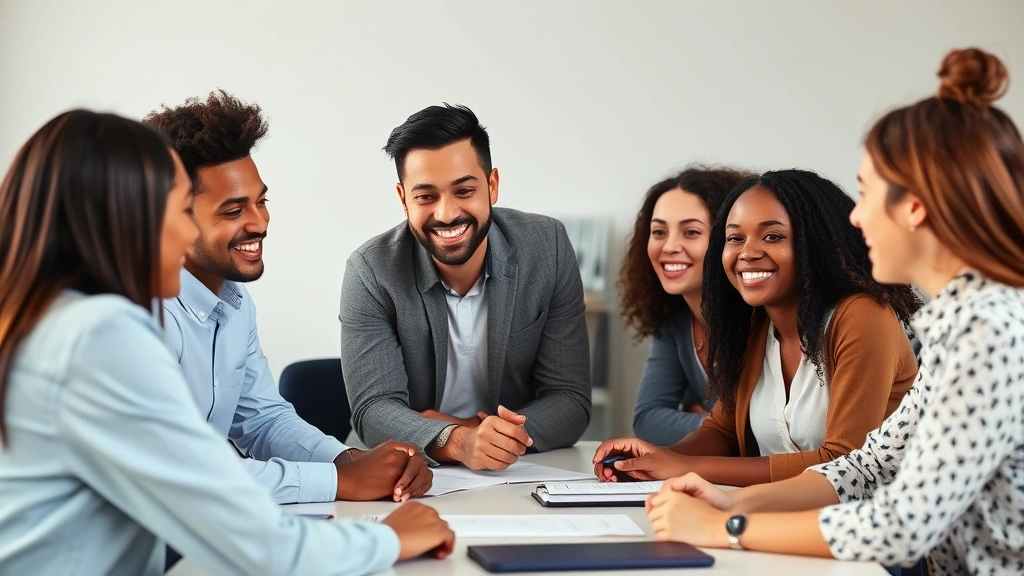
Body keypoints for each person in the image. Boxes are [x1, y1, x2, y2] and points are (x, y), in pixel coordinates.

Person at [0, 110, 454, 575]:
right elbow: (252, 539)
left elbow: (256, 421)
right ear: (116, 219)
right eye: (176, 211)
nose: (183, 234)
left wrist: (349, 462)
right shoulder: (101, 335)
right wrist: (386, 538)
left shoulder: (64, 320)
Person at [644, 47, 1024, 576]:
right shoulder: (957, 326)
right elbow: (865, 467)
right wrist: (732, 502)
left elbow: (902, 523)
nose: (857, 216)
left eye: (867, 194)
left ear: (914, 206)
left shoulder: (991, 332)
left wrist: (725, 530)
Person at [144, 91, 431, 504]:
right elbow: (175, 471)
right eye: (233, 211)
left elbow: (261, 419)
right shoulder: (140, 313)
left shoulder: (233, 302)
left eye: (261, 201)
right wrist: (342, 482)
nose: (260, 222)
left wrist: (351, 461)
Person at [595, 169, 921, 487]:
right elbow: (722, 432)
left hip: (863, 529)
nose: (747, 253)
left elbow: (844, 464)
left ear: (818, 243)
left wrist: (685, 466)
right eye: (735, 238)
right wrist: (659, 460)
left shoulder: (861, 316)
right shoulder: (755, 324)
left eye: (772, 236)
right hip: (777, 514)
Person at [341, 103, 591, 471]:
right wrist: (457, 440)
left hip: (514, 471)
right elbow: (373, 410)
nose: (446, 214)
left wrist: (489, 438)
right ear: (403, 199)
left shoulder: (547, 248)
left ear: (492, 186)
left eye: (464, 190)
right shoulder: (370, 271)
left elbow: (570, 399)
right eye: (425, 196)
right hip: (407, 468)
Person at [622, 166, 754, 446]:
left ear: (729, 239)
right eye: (659, 232)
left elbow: (760, 432)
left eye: (691, 232)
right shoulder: (673, 321)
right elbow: (647, 420)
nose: (669, 246)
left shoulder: (760, 318)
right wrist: (712, 425)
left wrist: (701, 425)